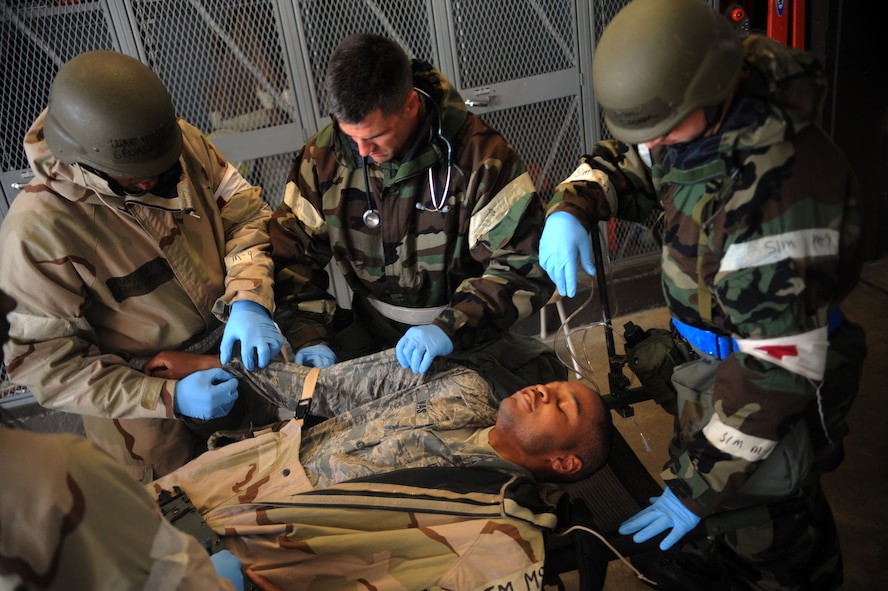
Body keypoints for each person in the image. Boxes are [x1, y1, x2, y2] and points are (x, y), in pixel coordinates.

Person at [538, 0, 867, 589]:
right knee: (732, 502)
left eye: (664, 129)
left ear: (713, 90)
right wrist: (572, 206)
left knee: (772, 507)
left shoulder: (781, 195)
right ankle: (730, 551)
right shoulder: (690, 120)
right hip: (710, 358)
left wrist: (694, 490)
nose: (655, 142)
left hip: (771, 378)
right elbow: (629, 159)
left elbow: (775, 375)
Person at [0, 50, 283, 484]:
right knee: (189, 515)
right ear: (85, 160)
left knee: (281, 484)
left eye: (160, 168)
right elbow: (50, 367)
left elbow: (245, 215)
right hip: (147, 424)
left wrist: (249, 297)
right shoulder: (38, 232)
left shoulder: (181, 144)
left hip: (235, 360)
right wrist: (166, 396)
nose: (152, 181)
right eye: (135, 178)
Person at [269, 33, 560, 383]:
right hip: (370, 337)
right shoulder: (323, 158)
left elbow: (523, 262)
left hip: (464, 337)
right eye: (351, 136)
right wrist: (308, 334)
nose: (362, 151)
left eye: (374, 137)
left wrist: (451, 327)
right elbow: (289, 254)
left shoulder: (480, 157)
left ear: (409, 105)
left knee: (540, 393)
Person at [0, 287, 245, 590]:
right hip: (129, 412)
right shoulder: (57, 472)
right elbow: (140, 571)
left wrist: (246, 305)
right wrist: (213, 584)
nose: (8, 302)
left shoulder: (50, 472)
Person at [145, 347, 612, 489]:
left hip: (269, 542)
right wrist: (217, 366)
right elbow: (331, 387)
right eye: (555, 387)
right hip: (246, 466)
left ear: (565, 462)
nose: (544, 391)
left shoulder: (494, 507)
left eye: (561, 406)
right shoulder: (466, 386)